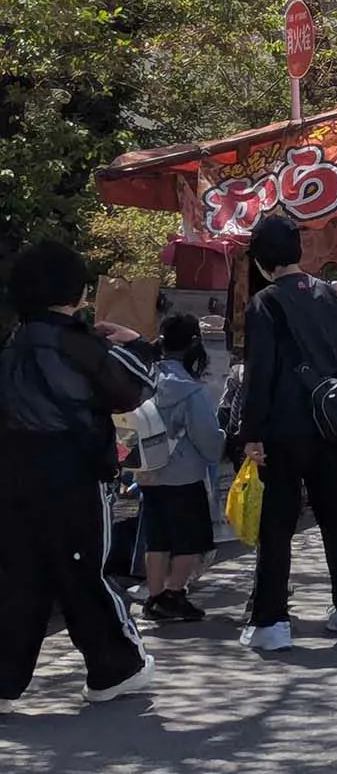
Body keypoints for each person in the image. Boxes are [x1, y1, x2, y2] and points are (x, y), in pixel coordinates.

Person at [0, 241, 158, 707]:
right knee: (84, 571)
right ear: (75, 292)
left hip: (11, 475)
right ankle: (114, 668)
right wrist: (137, 344)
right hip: (71, 474)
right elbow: (134, 388)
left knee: (17, 576)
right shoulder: (77, 343)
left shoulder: (11, 347)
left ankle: (4, 682)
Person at [239, 214, 337, 652]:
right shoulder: (328, 296)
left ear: (261, 259)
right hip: (331, 424)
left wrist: (251, 433)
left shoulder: (264, 303)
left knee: (276, 525)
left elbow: (258, 375)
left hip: (283, 429)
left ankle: (272, 621)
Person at [138, 313, 227, 623]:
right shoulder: (191, 390)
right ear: (194, 346)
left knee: (157, 539)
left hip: (148, 473)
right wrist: (222, 442)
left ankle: (154, 597)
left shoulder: (145, 380)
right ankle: (175, 593)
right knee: (189, 539)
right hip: (184, 476)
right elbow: (207, 439)